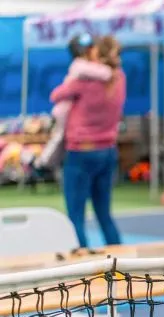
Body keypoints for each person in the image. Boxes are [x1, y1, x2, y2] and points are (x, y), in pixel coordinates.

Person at [50, 34, 126, 249]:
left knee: (76, 215)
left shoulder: (82, 81)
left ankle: (81, 260)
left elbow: (55, 96)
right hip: (108, 149)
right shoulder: (119, 77)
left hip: (81, 150)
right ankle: (121, 258)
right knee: (104, 213)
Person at [35, 33, 114, 172]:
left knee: (61, 138)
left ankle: (47, 163)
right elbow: (105, 74)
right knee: (60, 136)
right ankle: (43, 162)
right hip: (65, 108)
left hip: (69, 108)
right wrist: (108, 70)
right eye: (91, 48)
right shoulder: (79, 65)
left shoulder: (83, 67)